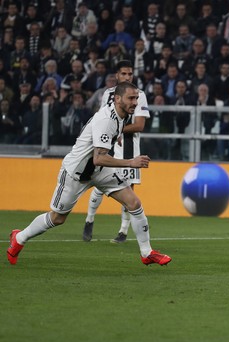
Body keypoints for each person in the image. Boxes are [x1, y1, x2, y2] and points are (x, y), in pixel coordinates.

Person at [7, 81, 171, 267]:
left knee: (133, 202)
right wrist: (131, 162)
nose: (135, 102)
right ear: (117, 99)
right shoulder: (106, 119)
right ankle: (19, 238)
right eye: (131, 98)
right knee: (58, 218)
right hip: (76, 172)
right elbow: (99, 158)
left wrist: (114, 138)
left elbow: (101, 150)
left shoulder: (123, 113)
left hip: (99, 171)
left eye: (136, 98)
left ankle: (146, 252)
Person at [83, 60, 150, 244]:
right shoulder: (108, 94)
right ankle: (89, 220)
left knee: (129, 189)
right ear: (117, 76)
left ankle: (123, 231)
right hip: (109, 146)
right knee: (98, 186)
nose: (127, 77)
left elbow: (139, 125)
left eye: (130, 74)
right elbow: (101, 120)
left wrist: (117, 129)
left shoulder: (140, 95)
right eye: (124, 74)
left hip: (130, 148)